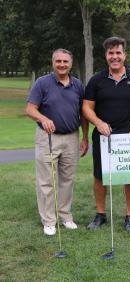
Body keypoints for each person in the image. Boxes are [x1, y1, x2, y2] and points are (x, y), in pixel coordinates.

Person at [83, 36, 130, 232]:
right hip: (103, 136)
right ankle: (100, 215)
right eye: (111, 53)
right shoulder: (96, 80)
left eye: (118, 53)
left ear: (125, 55)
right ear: (106, 55)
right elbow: (86, 108)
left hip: (129, 137)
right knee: (100, 176)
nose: (115, 57)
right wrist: (98, 123)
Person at [26, 48, 89, 236]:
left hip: (72, 136)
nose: (62, 65)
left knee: (67, 180)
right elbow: (30, 109)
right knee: (46, 180)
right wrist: (43, 118)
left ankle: (65, 216)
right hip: (47, 138)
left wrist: (85, 137)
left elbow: (83, 114)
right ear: (53, 63)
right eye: (58, 61)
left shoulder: (78, 85)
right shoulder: (42, 83)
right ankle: (48, 220)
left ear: (71, 64)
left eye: (65, 62)